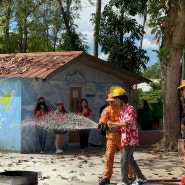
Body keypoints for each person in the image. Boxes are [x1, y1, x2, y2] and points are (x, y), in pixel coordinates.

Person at [109, 87, 147, 185]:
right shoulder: (122, 112)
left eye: (116, 100)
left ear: (121, 99)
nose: (115, 102)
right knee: (130, 159)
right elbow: (122, 126)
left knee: (124, 159)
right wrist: (113, 128)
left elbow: (127, 123)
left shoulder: (130, 109)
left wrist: (113, 123)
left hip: (131, 139)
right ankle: (141, 177)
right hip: (125, 139)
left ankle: (124, 181)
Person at [98, 93, 135, 185]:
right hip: (111, 138)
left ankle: (132, 176)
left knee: (128, 157)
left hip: (123, 137)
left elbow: (125, 123)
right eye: (109, 102)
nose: (111, 103)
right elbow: (103, 118)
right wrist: (101, 123)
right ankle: (106, 177)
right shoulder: (106, 110)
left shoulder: (123, 110)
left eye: (112, 101)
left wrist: (116, 127)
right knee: (109, 157)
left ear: (117, 100)